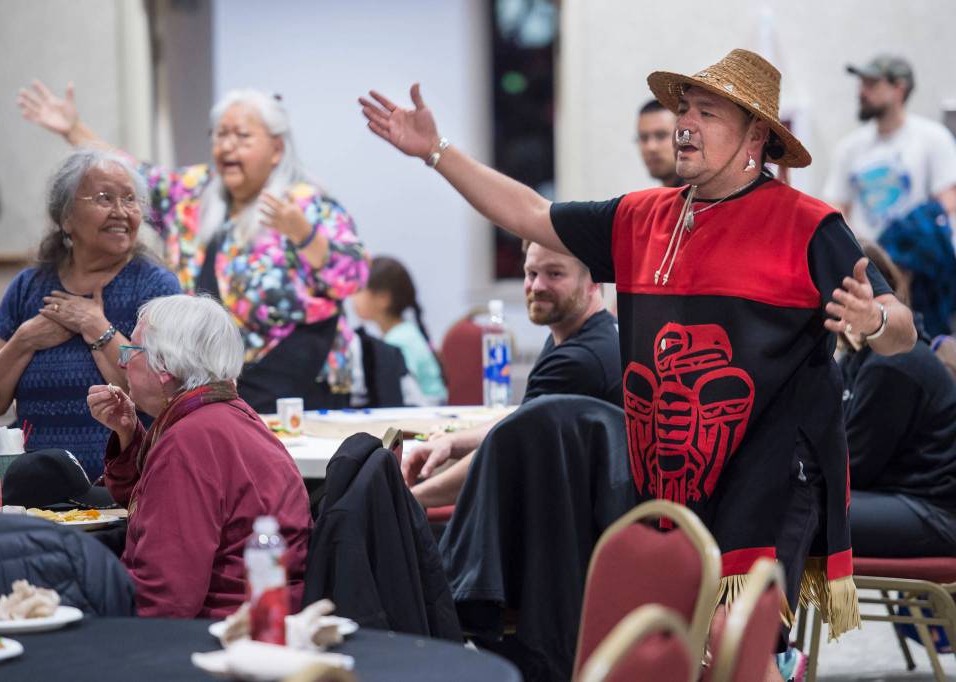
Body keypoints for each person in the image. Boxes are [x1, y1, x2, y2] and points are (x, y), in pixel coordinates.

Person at [361, 48, 916, 669]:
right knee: (676, 641)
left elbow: (903, 332)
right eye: (684, 108)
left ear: (756, 134)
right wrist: (438, 153)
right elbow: (531, 214)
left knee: (732, 642)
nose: (684, 123)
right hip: (671, 473)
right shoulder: (641, 217)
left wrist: (873, 322)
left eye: (706, 112)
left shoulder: (809, 225)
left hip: (773, 473)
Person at [18, 82, 368, 412]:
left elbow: (354, 278)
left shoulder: (307, 204)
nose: (227, 146)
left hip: (299, 378)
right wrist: (74, 130)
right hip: (213, 375)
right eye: (220, 135)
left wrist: (304, 234)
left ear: (276, 149)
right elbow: (129, 173)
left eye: (242, 136)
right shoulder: (194, 191)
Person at [87, 294, 311, 618]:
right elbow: (152, 503)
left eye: (132, 351)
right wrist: (128, 433)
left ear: (164, 367)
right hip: (265, 617)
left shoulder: (190, 440)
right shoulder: (226, 414)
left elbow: (165, 598)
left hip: (223, 630)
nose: (122, 362)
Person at [0, 149, 181, 479]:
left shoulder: (155, 287)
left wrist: (98, 328)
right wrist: (25, 339)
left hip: (126, 483)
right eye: (104, 198)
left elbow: (160, 393)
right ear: (66, 216)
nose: (121, 211)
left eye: (130, 199)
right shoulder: (30, 286)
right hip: (34, 487)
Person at [405, 241, 622, 508]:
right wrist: (453, 442)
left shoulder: (578, 360)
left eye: (555, 274)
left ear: (594, 283)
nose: (537, 286)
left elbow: (504, 453)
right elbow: (522, 419)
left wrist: (412, 499)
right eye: (531, 273)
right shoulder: (587, 333)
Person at [839, 241, 956, 558]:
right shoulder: (855, 357)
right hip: (897, 495)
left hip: (933, 511)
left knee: (795, 511)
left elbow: (854, 467)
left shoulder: (893, 363)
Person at [824, 55, 956, 241]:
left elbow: (948, 202)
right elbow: (836, 206)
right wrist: (854, 247)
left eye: (872, 84)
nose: (862, 92)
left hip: (918, 262)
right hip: (867, 263)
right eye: (862, 84)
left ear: (899, 90)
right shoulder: (849, 147)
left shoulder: (934, 138)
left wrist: (910, 243)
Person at [351, 255, 447, 405]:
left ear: (383, 299)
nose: (353, 297)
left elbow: (403, 393)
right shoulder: (401, 333)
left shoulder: (399, 341)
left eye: (360, 289)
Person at [637, 98, 681, 188]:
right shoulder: (653, 200)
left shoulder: (704, 198)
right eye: (644, 138)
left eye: (661, 135)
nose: (651, 147)